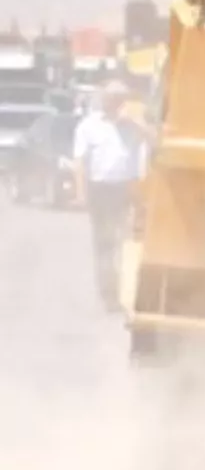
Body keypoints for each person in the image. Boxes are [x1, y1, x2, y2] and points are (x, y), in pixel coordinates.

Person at [73, 79, 144, 312]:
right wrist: (81, 193)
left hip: (126, 190)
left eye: (119, 98)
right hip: (100, 191)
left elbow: (156, 141)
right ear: (103, 99)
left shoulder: (133, 126)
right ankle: (109, 295)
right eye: (110, 97)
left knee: (127, 243)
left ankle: (127, 292)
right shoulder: (88, 126)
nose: (113, 102)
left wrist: (134, 120)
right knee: (104, 244)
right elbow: (80, 163)